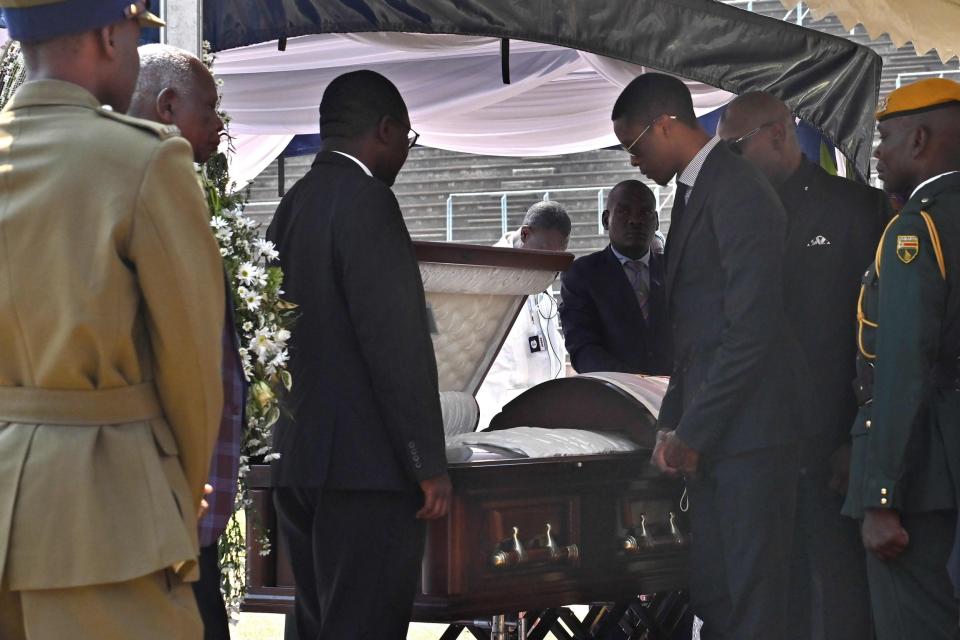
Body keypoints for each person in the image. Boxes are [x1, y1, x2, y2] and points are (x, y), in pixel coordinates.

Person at [0, 3, 225, 639]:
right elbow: (193, 372)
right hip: (108, 521)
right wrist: (175, 499)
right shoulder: (143, 162)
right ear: (108, 34)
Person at [265, 70, 451, 640]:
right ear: (386, 129)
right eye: (408, 141)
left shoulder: (292, 203)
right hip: (367, 470)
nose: (405, 155)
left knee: (317, 620)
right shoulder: (369, 201)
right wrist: (427, 462)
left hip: (301, 457)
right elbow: (393, 344)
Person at [615, 73, 801, 639]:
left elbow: (750, 330)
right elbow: (695, 335)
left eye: (635, 146)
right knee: (717, 598)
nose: (634, 161)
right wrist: (672, 420)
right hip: (722, 434)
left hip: (751, 435)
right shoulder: (698, 191)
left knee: (752, 606)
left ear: (666, 124)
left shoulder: (737, 188)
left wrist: (694, 429)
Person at [717, 91, 888, 640]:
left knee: (840, 597)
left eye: (735, 148)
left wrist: (855, 438)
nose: (729, 163)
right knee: (772, 598)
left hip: (832, 439)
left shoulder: (853, 208)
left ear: (778, 133)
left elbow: (873, 338)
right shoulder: (734, 214)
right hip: (761, 444)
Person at [129, 44, 244, 640]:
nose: (219, 125)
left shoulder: (169, 189)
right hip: (153, 505)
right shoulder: (138, 191)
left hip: (182, 504)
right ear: (168, 107)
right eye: (211, 107)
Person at [842, 77, 960, 640]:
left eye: (884, 137)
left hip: (920, 476)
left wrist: (881, 496)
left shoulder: (918, 228)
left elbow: (903, 365)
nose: (878, 154)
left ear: (918, 140)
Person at [476, 201, 571, 429]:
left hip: (545, 406)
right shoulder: (488, 275)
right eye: (547, 254)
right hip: (500, 409)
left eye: (557, 257)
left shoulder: (540, 263)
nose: (550, 265)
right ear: (526, 234)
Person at [559, 180, 671, 374]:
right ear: (605, 220)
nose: (635, 220)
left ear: (656, 222)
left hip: (679, 395)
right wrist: (635, 384)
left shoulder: (676, 268)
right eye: (624, 211)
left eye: (645, 212)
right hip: (615, 396)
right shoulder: (582, 275)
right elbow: (583, 348)